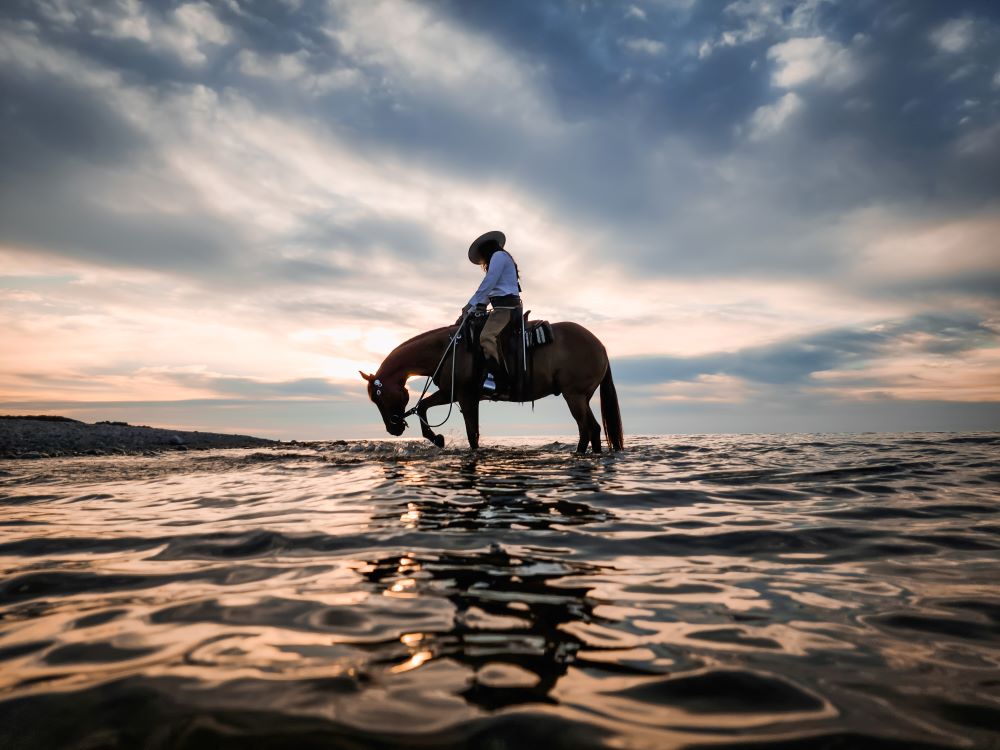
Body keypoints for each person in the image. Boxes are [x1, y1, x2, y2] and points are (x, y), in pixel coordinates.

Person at [459, 230, 522, 395]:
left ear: (485, 250)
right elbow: (490, 290)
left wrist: (471, 304)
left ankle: (500, 381)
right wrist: (473, 308)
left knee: (486, 337)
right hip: (500, 307)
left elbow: (489, 282)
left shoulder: (499, 257)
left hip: (506, 309)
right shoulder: (500, 258)